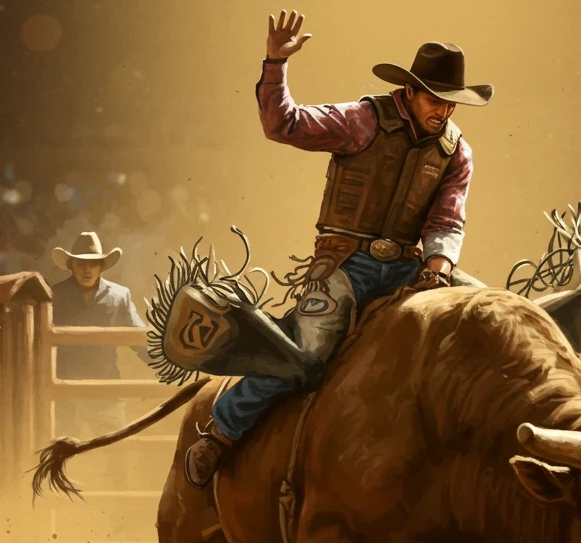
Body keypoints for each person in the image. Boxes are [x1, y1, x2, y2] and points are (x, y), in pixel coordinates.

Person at [183, 9, 493, 489]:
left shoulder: (456, 152)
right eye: (436, 99)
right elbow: (283, 124)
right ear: (409, 92)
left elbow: (447, 218)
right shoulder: (363, 120)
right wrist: (275, 65)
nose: (444, 111)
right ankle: (222, 430)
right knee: (308, 353)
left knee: (492, 316)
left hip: (411, 265)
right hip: (347, 262)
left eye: (452, 103)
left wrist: (439, 263)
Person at [50, 230, 149, 437]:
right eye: (81, 264)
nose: (87, 270)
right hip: (66, 393)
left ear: (101, 267)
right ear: (72, 267)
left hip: (106, 390)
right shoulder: (54, 296)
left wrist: (164, 364)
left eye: (93, 264)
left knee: (116, 449)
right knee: (62, 451)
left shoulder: (119, 296)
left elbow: (139, 338)